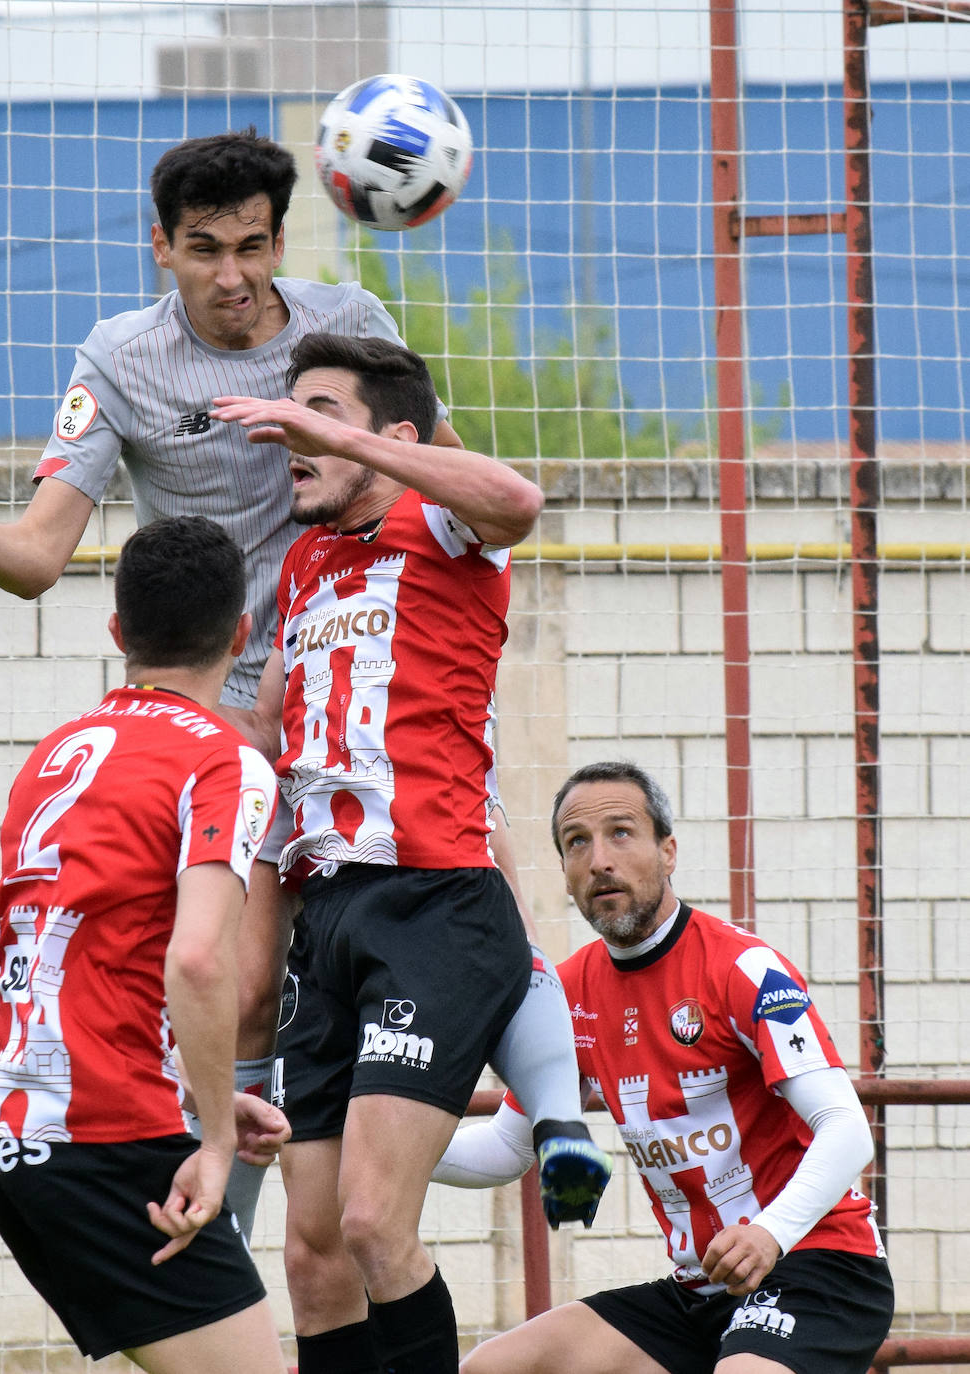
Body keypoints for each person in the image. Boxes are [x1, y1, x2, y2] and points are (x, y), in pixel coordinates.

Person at [0, 126, 579, 1241]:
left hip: (367, 659)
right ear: (161, 247)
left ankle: (554, 1117)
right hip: (230, 707)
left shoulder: (348, 326)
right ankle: (223, 1233)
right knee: (244, 980)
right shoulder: (118, 357)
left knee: (457, 878)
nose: (234, 277)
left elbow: (460, 493)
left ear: (280, 237)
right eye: (204, 249)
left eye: (252, 246)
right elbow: (37, 561)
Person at [213, 333, 612, 1374]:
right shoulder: (302, 563)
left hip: (432, 904)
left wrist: (366, 444)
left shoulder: (440, 520)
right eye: (285, 416)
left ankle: (556, 1117)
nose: (288, 436)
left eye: (317, 416)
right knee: (313, 1257)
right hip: (325, 920)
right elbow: (265, 729)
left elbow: (516, 501)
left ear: (389, 436)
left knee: (372, 1225)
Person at [432, 760, 894, 1374]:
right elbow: (506, 1148)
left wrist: (769, 1232)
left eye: (621, 833)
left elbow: (847, 1128)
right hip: (700, 1292)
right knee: (494, 1368)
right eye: (577, 843)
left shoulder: (745, 968)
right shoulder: (564, 995)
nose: (599, 859)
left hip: (816, 1265)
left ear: (668, 850)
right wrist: (365, 1150)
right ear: (566, 874)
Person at [0, 515, 290, 1374]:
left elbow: (77, 961)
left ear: (117, 632)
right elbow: (196, 959)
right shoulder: (224, 760)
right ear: (242, 633)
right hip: (105, 1140)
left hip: (10, 1135)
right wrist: (214, 1140)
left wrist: (197, 1091)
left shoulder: (55, 753)